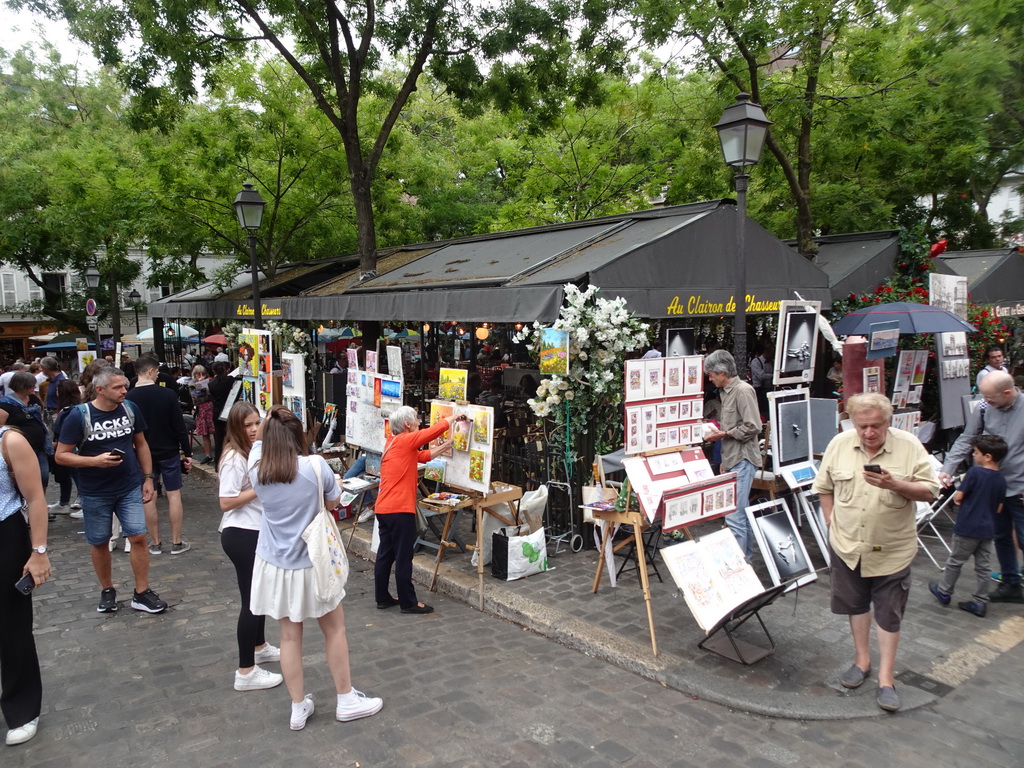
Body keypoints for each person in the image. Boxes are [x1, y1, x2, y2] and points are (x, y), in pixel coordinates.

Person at [248, 405, 382, 730]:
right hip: (313, 562)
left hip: (276, 564)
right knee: (334, 629)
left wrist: (269, 423)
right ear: (298, 436)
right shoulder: (314, 466)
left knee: (289, 638)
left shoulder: (256, 469)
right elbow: (335, 502)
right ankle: (346, 698)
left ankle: (297, 707)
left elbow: (257, 445)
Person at [812, 393, 938, 712]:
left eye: (876, 425)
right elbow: (824, 487)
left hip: (892, 550)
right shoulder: (840, 444)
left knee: (889, 613)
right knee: (856, 605)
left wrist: (895, 484)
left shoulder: (908, 445)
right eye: (863, 425)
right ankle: (862, 661)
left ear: (888, 421)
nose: (869, 432)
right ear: (853, 423)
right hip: (848, 546)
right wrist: (830, 521)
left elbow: (930, 491)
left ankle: (886, 679)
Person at [55, 366, 167, 614]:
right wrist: (93, 461)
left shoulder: (130, 409)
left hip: (129, 486)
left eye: (125, 386)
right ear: (100, 389)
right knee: (99, 541)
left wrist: (148, 478)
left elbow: (141, 444)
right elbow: (61, 455)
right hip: (95, 490)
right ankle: (107, 589)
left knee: (138, 536)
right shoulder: (78, 416)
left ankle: (142, 591)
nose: (124, 391)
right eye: (117, 387)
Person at [939, 371, 1024, 603]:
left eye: (990, 396)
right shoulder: (985, 408)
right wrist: (947, 467)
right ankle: (1011, 584)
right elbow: (967, 438)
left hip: (1020, 487)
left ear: (1007, 392)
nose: (985, 400)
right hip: (992, 489)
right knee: (1001, 536)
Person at [218, 402, 283, 692]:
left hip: (252, 530)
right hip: (241, 533)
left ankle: (259, 646)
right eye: (248, 425)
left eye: (257, 422)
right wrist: (261, 487)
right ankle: (245, 671)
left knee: (259, 595)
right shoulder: (234, 457)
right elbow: (226, 501)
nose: (255, 429)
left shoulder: (250, 451)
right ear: (236, 427)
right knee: (252, 601)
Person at [375, 405, 463, 614]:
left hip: (384, 508)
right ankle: (408, 602)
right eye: (415, 419)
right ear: (407, 424)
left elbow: (423, 457)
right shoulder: (406, 439)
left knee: (385, 555)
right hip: (399, 509)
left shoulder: (393, 442)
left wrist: (448, 446)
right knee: (404, 557)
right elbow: (431, 433)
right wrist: (454, 418)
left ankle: (382, 597)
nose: (418, 422)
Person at [0, 424, 51, 746]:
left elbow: (35, 498)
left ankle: (22, 707)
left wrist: (38, 551)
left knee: (12, 625)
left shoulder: (10, 441)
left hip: (6, 535)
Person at [928, 434, 1008, 618]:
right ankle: (980, 601)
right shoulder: (1001, 479)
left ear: (987, 456)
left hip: (968, 527)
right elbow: (999, 507)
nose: (973, 455)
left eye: (976, 452)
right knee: (983, 567)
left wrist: (959, 499)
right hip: (988, 529)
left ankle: (944, 591)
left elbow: (958, 497)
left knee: (955, 561)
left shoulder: (974, 473)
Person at [127, 356, 193, 555]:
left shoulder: (129, 398)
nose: (157, 375)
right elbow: (178, 425)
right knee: (174, 494)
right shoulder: (168, 394)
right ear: (149, 371)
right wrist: (186, 451)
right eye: (156, 371)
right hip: (169, 450)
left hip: (142, 453)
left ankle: (155, 542)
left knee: (149, 495)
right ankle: (176, 541)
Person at [703, 350, 762, 559]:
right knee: (739, 515)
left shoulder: (742, 391)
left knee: (735, 516)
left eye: (711, 374)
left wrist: (725, 434)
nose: (710, 378)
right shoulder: (727, 392)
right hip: (734, 459)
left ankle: (739, 569)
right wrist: (725, 462)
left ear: (722, 372)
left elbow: (753, 426)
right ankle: (746, 562)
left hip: (743, 459)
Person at [0, 372, 52, 492]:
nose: (34, 388)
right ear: (21, 386)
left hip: (40, 446)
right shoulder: (5, 404)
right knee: (24, 479)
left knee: (43, 477)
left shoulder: (33, 398)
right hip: (20, 450)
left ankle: (41, 504)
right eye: (31, 386)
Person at [49, 380, 84, 518]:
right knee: (65, 476)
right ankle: (64, 502)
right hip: (67, 449)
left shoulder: (69, 412)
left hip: (69, 450)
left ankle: (85, 506)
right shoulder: (75, 409)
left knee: (78, 477)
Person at [208, 361, 235, 464]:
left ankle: (218, 462)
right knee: (232, 436)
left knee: (219, 439)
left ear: (213, 371)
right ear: (224, 369)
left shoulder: (211, 384)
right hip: (229, 410)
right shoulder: (229, 380)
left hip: (217, 412)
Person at [188, 365, 215, 463]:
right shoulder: (192, 384)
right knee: (205, 433)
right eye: (198, 374)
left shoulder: (210, 382)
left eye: (203, 373)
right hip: (202, 410)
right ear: (194, 375)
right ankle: (208, 455)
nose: (201, 376)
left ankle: (218, 453)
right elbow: (195, 399)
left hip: (210, 408)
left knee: (214, 431)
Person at [749, 345, 774, 420]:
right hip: (759, 389)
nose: (773, 355)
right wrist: (774, 376)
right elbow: (761, 376)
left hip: (770, 388)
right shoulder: (756, 361)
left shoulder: (772, 362)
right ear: (766, 352)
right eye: (772, 353)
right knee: (763, 410)